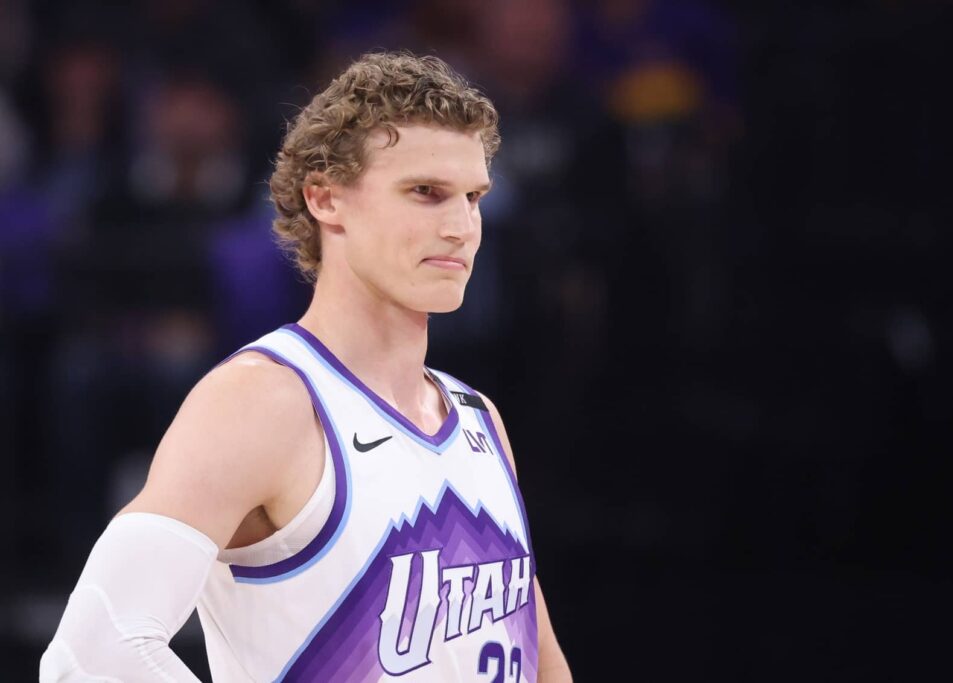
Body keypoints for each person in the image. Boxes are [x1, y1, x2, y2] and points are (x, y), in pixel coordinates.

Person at [40, 51, 572, 682]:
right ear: (325, 198)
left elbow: (538, 664)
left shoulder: (480, 419)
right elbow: (94, 651)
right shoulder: (265, 400)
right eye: (425, 193)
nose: (461, 227)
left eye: (473, 197)